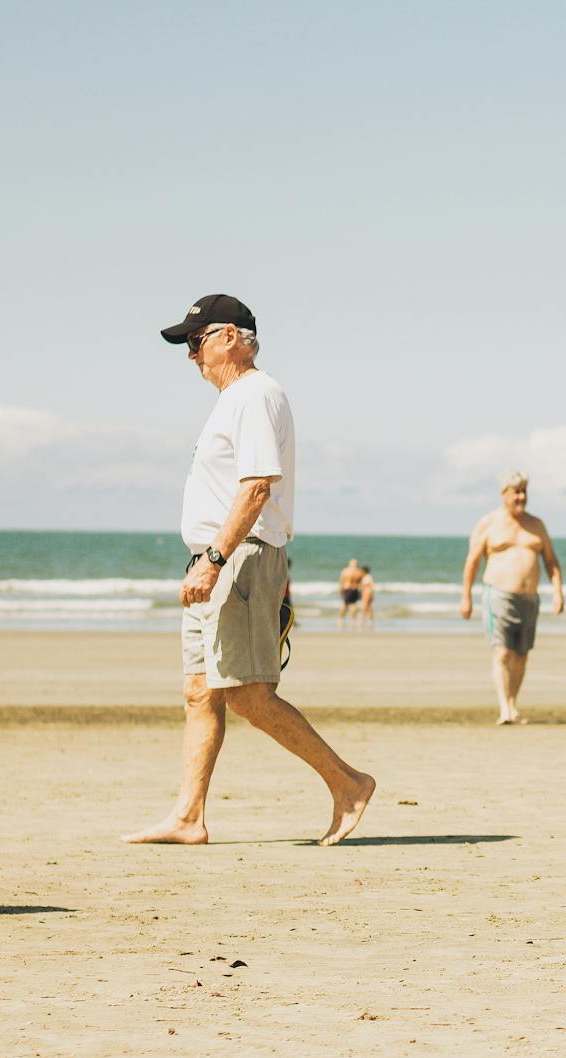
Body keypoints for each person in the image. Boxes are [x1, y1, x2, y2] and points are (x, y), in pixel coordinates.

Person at [125, 294, 373, 846]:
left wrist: (214, 559)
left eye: (196, 341)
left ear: (231, 337)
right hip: (216, 558)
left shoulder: (256, 395)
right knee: (200, 691)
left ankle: (348, 783)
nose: (191, 355)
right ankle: (189, 817)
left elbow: (258, 485)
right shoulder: (234, 400)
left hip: (240, 557)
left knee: (246, 692)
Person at [461, 470, 564, 725]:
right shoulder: (489, 523)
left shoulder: (536, 525)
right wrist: (466, 597)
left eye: (524, 492)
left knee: (521, 654)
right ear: (504, 494)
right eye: (515, 492)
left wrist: (558, 592)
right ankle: (504, 708)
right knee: (502, 652)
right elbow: (472, 562)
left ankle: (513, 705)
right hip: (499, 595)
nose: (521, 497)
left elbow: (551, 561)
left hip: (529, 598)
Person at [337, 558, 364, 631]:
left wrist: (339, 590)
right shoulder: (359, 572)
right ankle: (353, 620)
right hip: (354, 589)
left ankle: (341, 619)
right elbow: (361, 583)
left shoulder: (345, 571)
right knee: (354, 605)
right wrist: (361, 592)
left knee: (345, 604)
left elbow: (341, 581)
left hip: (347, 589)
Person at [358, 565, 377, 632]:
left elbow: (371, 586)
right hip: (367, 593)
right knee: (369, 608)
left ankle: (362, 621)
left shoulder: (367, 577)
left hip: (367, 593)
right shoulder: (367, 577)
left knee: (365, 607)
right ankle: (370, 620)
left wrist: (368, 594)